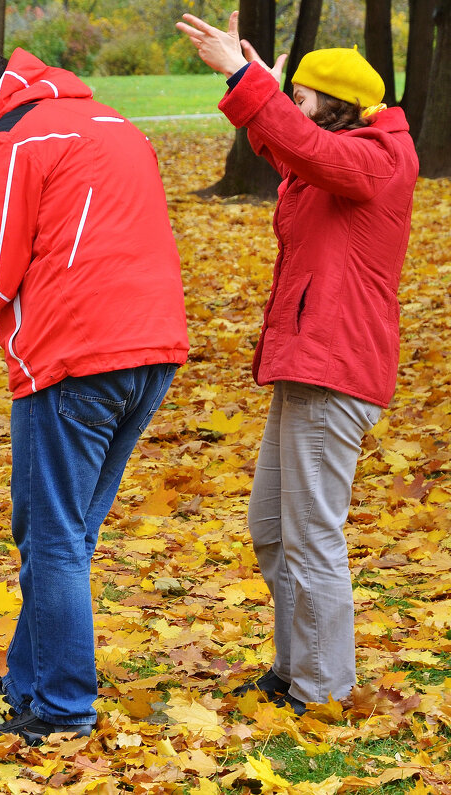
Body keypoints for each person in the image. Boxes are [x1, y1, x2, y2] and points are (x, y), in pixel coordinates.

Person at [0, 47, 189, 744]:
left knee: (52, 539)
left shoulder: (7, 141)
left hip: (73, 355)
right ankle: (34, 677)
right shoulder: (106, 121)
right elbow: (48, 235)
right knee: (67, 532)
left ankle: (60, 710)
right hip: (152, 346)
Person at [175, 14, 418, 714]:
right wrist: (264, 90)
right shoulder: (331, 157)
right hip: (306, 363)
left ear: (334, 103)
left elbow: (304, 144)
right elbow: (290, 148)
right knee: (273, 528)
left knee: (312, 536)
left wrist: (245, 80)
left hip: (335, 366)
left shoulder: (376, 157)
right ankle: (295, 668)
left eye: (304, 96)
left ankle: (322, 689)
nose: (296, 107)